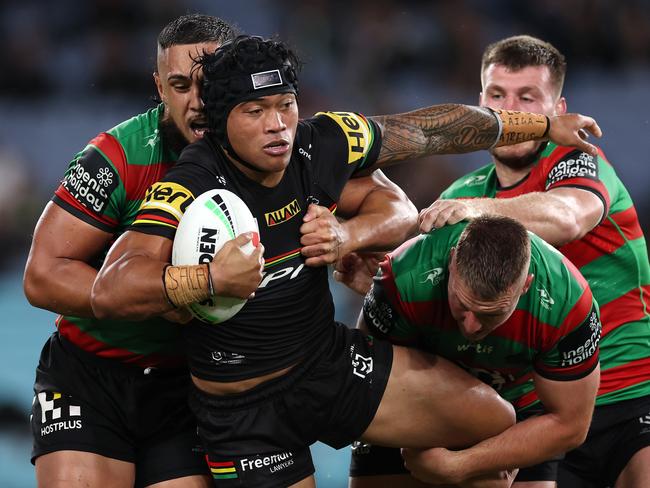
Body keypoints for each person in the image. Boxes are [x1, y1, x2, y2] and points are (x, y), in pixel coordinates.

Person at [90, 35, 602, 488]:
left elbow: (432, 132)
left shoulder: (322, 142)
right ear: (222, 120)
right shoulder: (191, 183)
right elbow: (111, 288)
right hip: (242, 410)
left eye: (285, 104)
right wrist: (209, 278)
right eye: (255, 111)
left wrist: (346, 234)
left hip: (326, 365)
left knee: (490, 420)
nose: (278, 126)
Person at [23, 17, 419, 488]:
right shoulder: (117, 157)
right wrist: (167, 293)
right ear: (159, 88)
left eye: (208, 85)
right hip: (90, 372)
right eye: (179, 85)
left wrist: (348, 237)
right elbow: (42, 276)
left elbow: (389, 201)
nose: (197, 102)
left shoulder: (280, 151)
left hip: (186, 385)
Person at [418, 35, 650, 488]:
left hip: (632, 391)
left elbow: (565, 218)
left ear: (557, 109)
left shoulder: (578, 161)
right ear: (479, 105)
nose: (511, 112)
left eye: (528, 98)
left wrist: (478, 212)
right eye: (497, 96)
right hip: (535, 413)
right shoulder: (460, 195)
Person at [345, 215, 601, 488]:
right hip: (420, 392)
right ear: (452, 262)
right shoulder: (406, 274)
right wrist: (417, 436)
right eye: (462, 304)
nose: (471, 325)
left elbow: (571, 425)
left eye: (491, 313)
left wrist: (460, 466)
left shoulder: (567, 303)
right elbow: (366, 382)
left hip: (519, 404)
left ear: (525, 285)